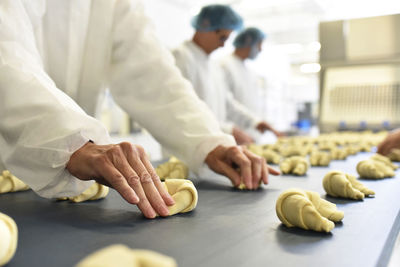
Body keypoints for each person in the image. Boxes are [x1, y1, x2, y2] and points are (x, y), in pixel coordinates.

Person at [0, 0, 279, 219]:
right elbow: (6, 55)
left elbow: (152, 75)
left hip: (80, 176)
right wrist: (66, 139)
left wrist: (208, 140)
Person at [172, 5, 281, 145]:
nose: (223, 46)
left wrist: (255, 122)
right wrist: (228, 129)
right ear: (205, 27)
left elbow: (228, 104)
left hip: (211, 147)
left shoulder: (212, 64)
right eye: (222, 38)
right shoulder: (181, 58)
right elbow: (185, 110)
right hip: (186, 148)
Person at [219, 27, 283, 138]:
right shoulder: (224, 65)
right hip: (233, 134)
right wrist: (228, 129)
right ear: (248, 41)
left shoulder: (248, 71)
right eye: (259, 44)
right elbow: (226, 104)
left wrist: (257, 121)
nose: (260, 49)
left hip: (250, 132)